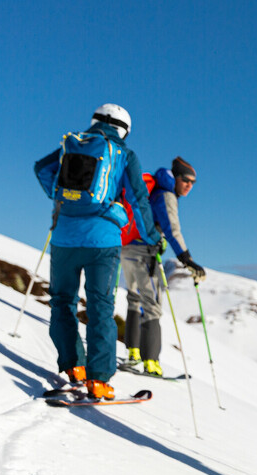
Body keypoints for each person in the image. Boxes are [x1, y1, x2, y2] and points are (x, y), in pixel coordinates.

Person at [33, 103, 162, 399]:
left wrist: (62, 199)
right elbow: (139, 200)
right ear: (124, 129)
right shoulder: (123, 154)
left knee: (62, 300)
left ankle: (73, 367)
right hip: (103, 242)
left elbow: (41, 169)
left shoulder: (72, 144)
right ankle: (99, 380)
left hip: (64, 236)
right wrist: (152, 238)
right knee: (100, 306)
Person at [120, 156, 204, 376]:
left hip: (127, 248)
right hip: (144, 253)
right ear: (176, 178)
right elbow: (172, 228)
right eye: (186, 180)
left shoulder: (155, 190)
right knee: (152, 306)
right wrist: (186, 258)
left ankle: (133, 353)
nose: (189, 185)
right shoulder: (166, 195)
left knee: (134, 298)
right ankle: (151, 363)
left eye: (193, 182)